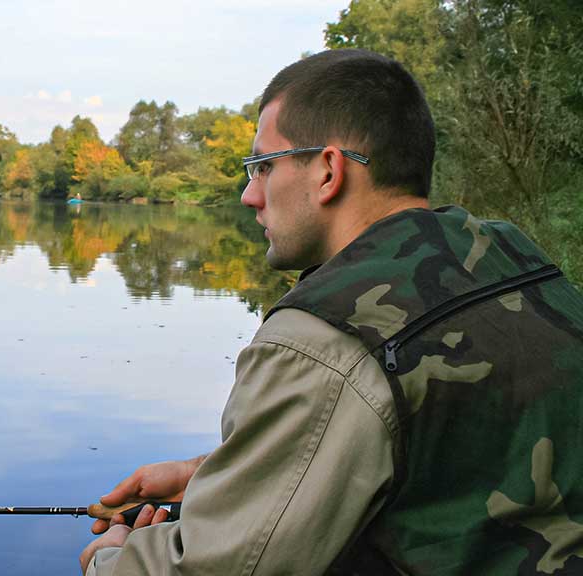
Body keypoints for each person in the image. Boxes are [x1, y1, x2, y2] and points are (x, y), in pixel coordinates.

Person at [80, 49, 583, 575]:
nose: (250, 195)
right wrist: (216, 475)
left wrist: (111, 557)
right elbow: (463, 456)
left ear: (327, 170)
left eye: (263, 166)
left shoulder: (323, 339)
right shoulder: (509, 257)